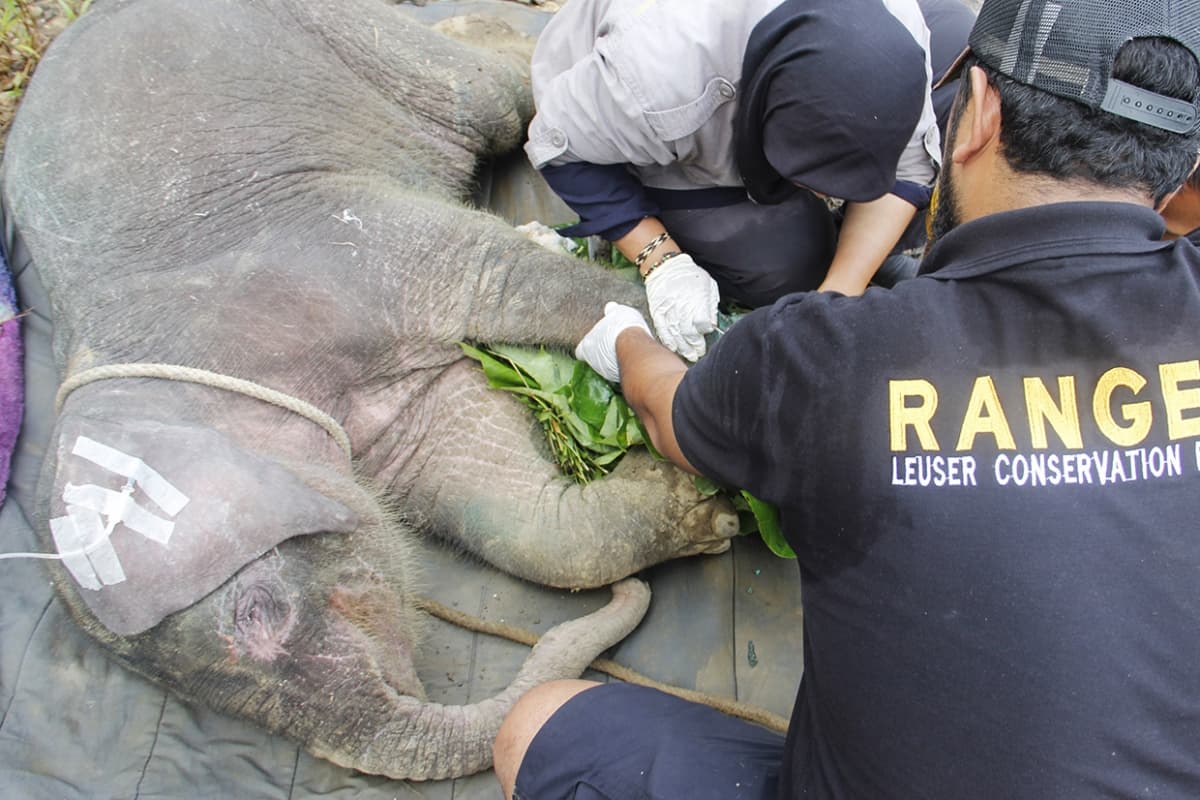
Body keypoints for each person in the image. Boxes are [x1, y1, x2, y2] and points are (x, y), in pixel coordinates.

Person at [493, 0, 1200, 796]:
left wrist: (620, 335)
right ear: (1179, 167)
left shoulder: (824, 363)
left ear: (976, 115)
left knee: (535, 726)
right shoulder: (662, 72)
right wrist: (661, 255)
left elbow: (670, 414)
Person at [525, 0, 974, 363]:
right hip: (632, 114)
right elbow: (557, 148)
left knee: (958, 44)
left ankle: (851, 253)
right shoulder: (657, 76)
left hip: (805, 70)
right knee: (788, 264)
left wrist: (838, 294)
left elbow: (911, 164)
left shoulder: (899, 32)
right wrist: (660, 261)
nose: (832, 196)